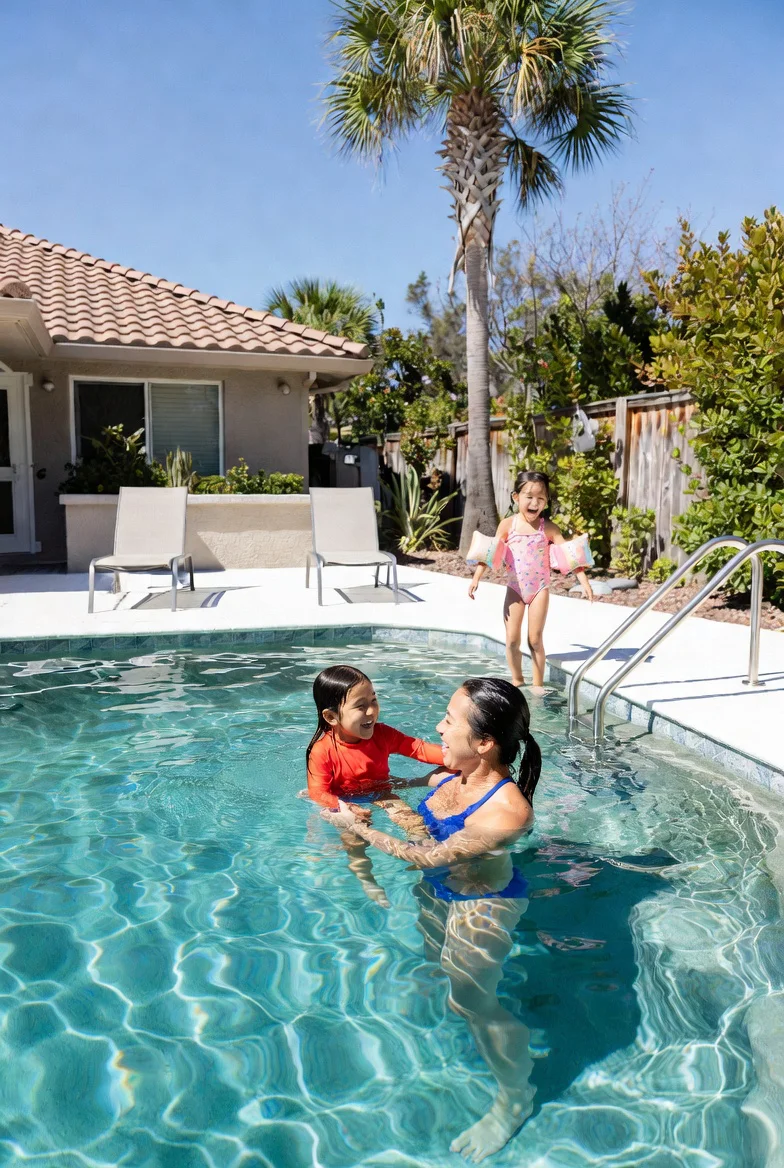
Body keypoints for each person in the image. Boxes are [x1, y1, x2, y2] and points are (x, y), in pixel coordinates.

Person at [324, 677, 541, 1162]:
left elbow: (427, 857)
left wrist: (350, 825)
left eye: (449, 721)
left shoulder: (507, 813)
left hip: (480, 905)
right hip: (439, 892)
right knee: (438, 966)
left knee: (471, 999)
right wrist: (356, 792)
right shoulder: (448, 776)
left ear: (484, 743)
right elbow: (400, 802)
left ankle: (514, 1098)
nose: (438, 728)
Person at [306, 664, 444, 905]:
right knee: (354, 842)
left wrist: (454, 756)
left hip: (382, 791)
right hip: (344, 800)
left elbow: (417, 748)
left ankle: (424, 861)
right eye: (361, 706)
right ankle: (366, 878)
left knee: (414, 822)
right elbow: (318, 792)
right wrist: (341, 806)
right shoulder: (322, 750)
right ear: (331, 717)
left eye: (374, 701)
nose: (371, 711)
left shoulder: (383, 734)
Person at [468, 470, 593, 694]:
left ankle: (537, 684)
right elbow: (490, 553)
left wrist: (584, 582)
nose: (534, 503)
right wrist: (476, 578)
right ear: (516, 497)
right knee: (512, 640)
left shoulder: (549, 529)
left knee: (535, 639)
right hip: (515, 589)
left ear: (546, 501)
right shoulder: (508, 525)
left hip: (539, 589)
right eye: (529, 497)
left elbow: (569, 555)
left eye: (541, 498)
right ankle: (517, 679)